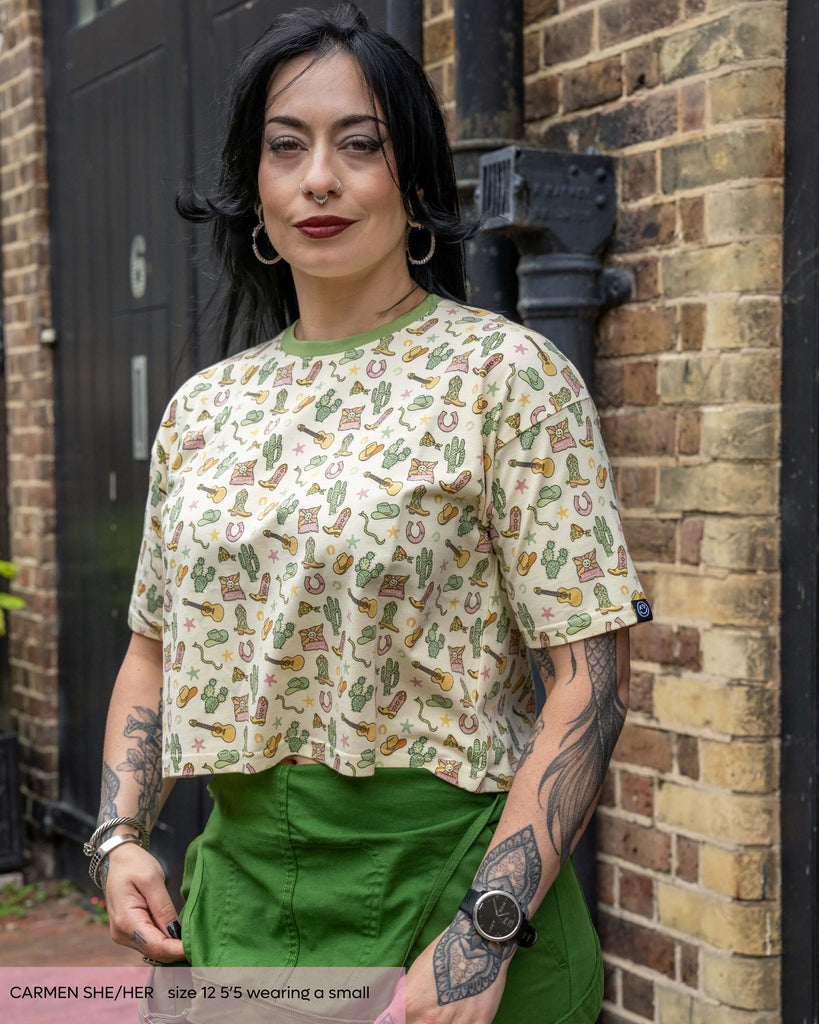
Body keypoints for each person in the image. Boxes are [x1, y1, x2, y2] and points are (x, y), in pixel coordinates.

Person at [88, 4, 651, 1022]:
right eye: (286, 147)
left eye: (359, 145)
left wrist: (485, 931)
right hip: (241, 918)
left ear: (417, 181)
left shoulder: (506, 378)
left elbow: (590, 683)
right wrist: (119, 836)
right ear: (254, 189)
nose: (319, 179)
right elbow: (153, 651)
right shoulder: (202, 412)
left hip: (453, 900)